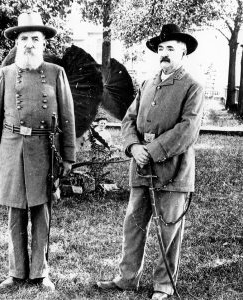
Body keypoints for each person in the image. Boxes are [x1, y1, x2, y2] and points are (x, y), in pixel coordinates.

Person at [96, 24, 204, 300]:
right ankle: (126, 279)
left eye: (170, 48)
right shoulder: (148, 83)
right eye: (161, 49)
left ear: (183, 52)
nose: (164, 53)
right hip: (141, 167)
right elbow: (129, 119)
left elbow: (188, 128)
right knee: (133, 224)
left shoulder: (192, 86)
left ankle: (163, 286)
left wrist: (153, 150)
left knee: (169, 229)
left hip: (173, 169)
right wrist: (133, 146)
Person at [0, 12, 76, 290]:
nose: (28, 43)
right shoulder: (6, 73)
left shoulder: (55, 73)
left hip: (44, 150)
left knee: (41, 212)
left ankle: (40, 272)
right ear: (16, 42)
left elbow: (67, 118)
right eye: (23, 38)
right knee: (15, 213)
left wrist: (68, 155)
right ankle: (16, 272)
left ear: (43, 43)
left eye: (35, 38)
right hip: (11, 149)